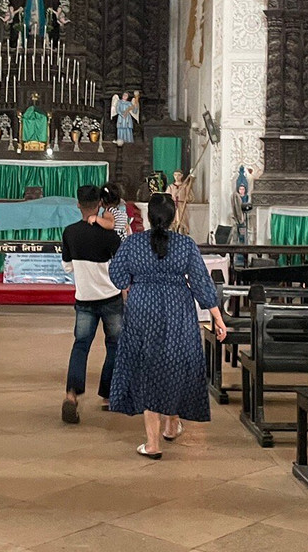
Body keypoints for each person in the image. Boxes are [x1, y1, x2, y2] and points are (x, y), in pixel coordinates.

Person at [108, 194, 228, 458]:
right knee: (175, 362)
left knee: (147, 367)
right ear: (174, 217)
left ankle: (152, 444)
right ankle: (171, 425)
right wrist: (217, 317)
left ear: (149, 216)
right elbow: (201, 282)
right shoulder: (185, 245)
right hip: (178, 308)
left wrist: (138, 281)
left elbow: (117, 277)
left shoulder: (133, 243)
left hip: (142, 308)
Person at [61, 185, 123, 424]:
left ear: (78, 204)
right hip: (111, 297)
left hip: (85, 298)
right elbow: (121, 265)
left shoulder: (70, 232)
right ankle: (107, 395)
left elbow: (67, 267)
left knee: (81, 345)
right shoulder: (111, 235)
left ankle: (72, 394)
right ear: (99, 204)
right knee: (115, 345)